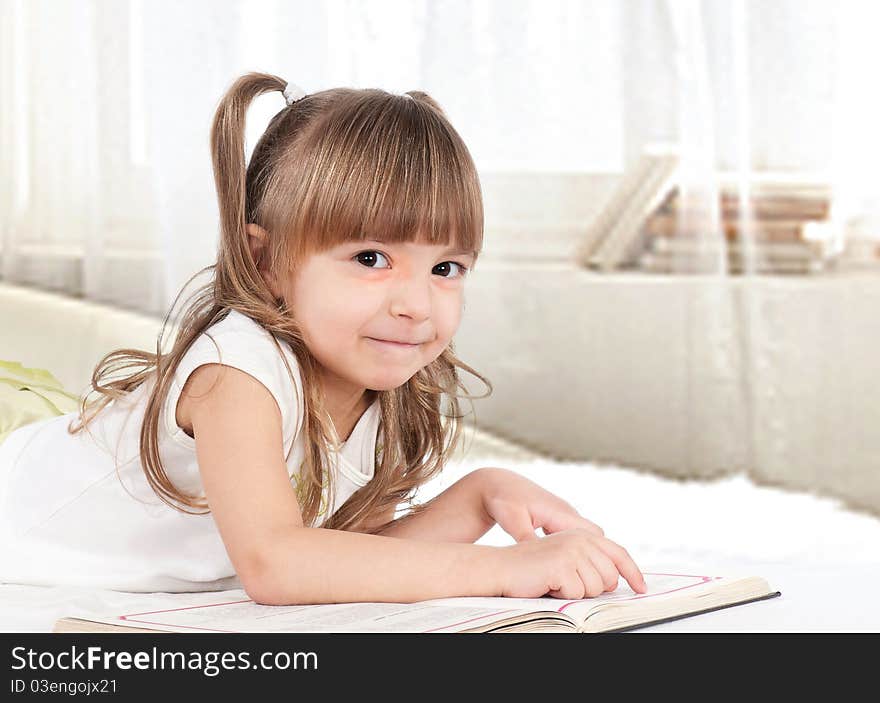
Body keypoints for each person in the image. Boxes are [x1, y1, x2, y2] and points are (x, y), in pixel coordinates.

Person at [0, 71, 647, 604]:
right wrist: (506, 571)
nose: (416, 304)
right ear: (265, 260)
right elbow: (278, 564)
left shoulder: (372, 381)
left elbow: (348, 563)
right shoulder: (237, 373)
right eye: (371, 258)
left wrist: (479, 494)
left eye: (445, 268)